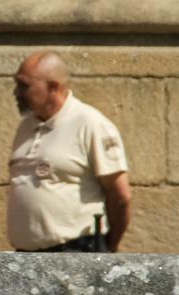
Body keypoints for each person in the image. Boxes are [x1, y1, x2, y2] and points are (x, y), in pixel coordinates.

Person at [8, 50, 132, 253]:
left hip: (75, 253)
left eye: (24, 86)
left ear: (53, 87)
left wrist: (109, 248)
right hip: (27, 257)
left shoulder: (90, 123)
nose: (17, 92)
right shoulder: (26, 126)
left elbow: (120, 196)